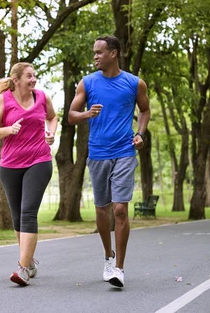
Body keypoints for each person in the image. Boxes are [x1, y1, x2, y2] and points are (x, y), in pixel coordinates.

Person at [68, 36, 150, 288]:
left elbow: (144, 111)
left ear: (113, 53)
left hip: (125, 151)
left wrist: (140, 134)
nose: (95, 57)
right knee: (102, 209)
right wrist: (87, 114)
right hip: (98, 153)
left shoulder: (134, 83)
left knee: (120, 209)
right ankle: (108, 255)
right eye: (94, 52)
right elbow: (71, 116)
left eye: (99, 52)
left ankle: (119, 269)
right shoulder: (88, 83)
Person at [0, 62, 58, 286]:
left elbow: (53, 117)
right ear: (16, 80)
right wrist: (9, 130)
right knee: (17, 217)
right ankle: (30, 261)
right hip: (10, 165)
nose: (33, 79)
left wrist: (51, 133)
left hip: (39, 160)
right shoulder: (4, 100)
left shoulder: (42, 97)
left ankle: (23, 268)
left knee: (28, 213)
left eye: (34, 75)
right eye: (29, 76)